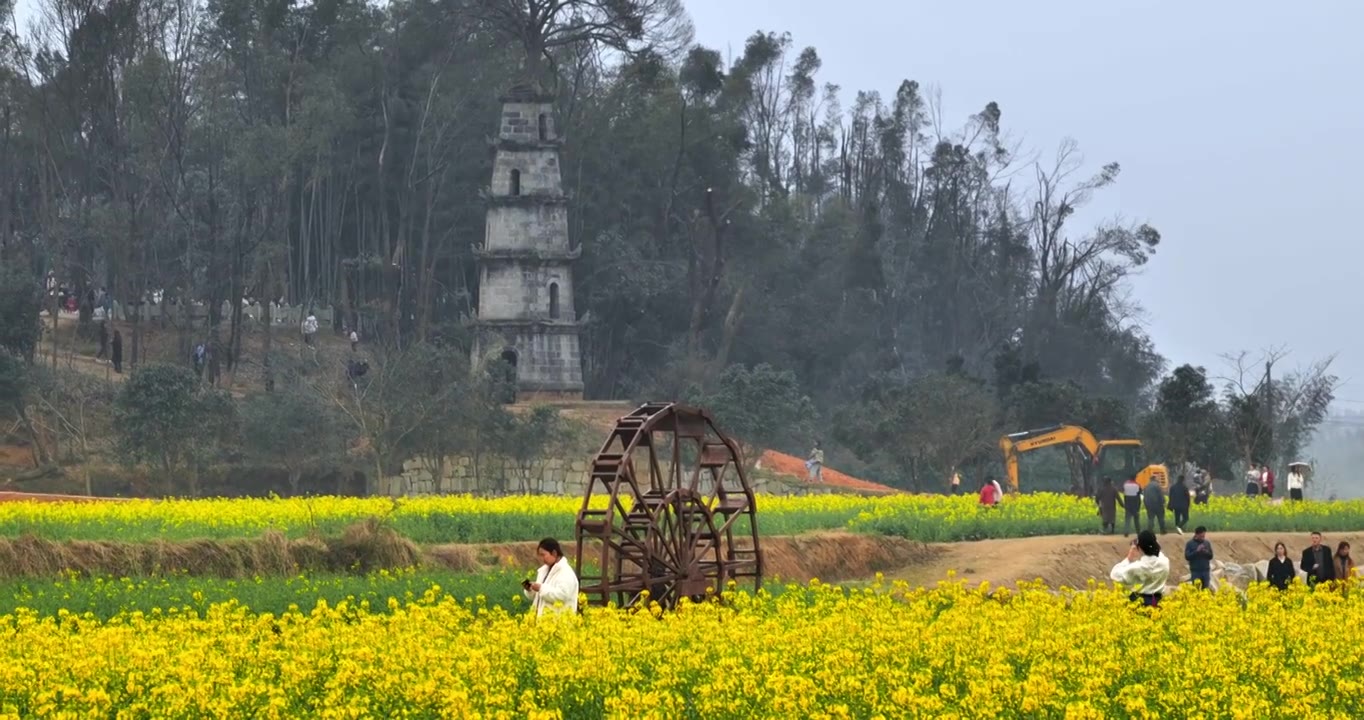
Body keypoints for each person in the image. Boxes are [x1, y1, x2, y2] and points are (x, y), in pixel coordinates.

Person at [1111, 530, 1170, 607]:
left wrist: (1129, 557)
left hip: (1141, 602)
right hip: (1158, 601)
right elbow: (1157, 551)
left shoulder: (1139, 567)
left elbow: (1115, 575)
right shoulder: (1165, 561)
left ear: (1139, 548)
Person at [522, 537, 579, 617]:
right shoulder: (544, 571)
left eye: (543, 555)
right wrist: (530, 589)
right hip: (543, 623)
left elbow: (562, 596)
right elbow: (540, 597)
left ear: (554, 553)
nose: (541, 559)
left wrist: (541, 588)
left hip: (559, 623)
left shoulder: (566, 572)